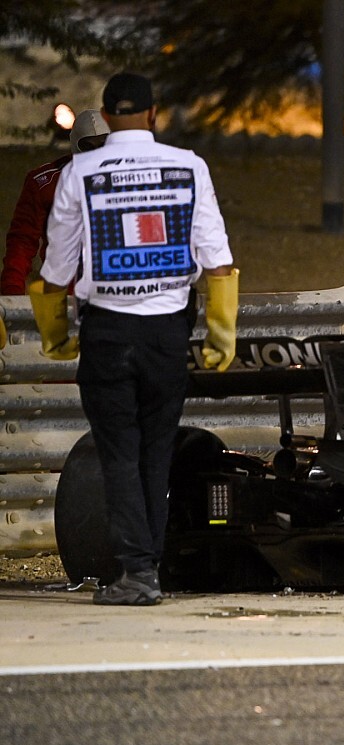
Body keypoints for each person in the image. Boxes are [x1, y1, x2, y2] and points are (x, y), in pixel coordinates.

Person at [30, 73, 239, 606]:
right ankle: (151, 568)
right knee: (156, 451)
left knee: (118, 453)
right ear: (152, 113)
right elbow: (217, 260)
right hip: (167, 333)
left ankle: (137, 571)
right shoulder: (189, 167)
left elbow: (57, 266)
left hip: (107, 331)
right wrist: (221, 334)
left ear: (104, 114)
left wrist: (56, 333)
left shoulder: (79, 172)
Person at [2, 110, 111, 296]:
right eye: (88, 146)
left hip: (119, 291)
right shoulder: (45, 183)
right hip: (64, 294)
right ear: (75, 145)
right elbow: (22, 241)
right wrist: (11, 291)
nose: (96, 153)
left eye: (103, 145)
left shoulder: (135, 177)